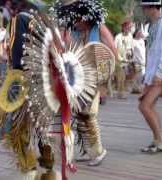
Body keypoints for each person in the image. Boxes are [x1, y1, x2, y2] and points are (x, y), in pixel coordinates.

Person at [56, 0, 117, 166]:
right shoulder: (72, 31)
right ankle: (90, 151)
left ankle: (98, 152)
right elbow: (66, 52)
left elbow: (112, 50)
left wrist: (105, 79)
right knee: (79, 113)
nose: (74, 20)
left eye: (77, 17)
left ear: (85, 15)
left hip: (96, 78)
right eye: (72, 17)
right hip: (77, 78)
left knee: (88, 113)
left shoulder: (99, 28)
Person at [139, 0, 162, 153]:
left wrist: (160, 74)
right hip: (153, 74)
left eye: (145, 8)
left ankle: (159, 139)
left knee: (144, 106)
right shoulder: (155, 26)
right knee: (149, 106)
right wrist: (147, 74)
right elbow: (153, 52)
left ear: (153, 8)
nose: (143, 11)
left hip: (160, 75)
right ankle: (158, 139)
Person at [115, 19, 135, 99]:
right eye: (128, 27)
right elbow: (114, 48)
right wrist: (119, 58)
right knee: (121, 77)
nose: (129, 29)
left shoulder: (130, 36)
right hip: (120, 61)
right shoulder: (118, 37)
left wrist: (131, 55)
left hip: (127, 60)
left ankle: (121, 92)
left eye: (130, 27)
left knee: (125, 78)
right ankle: (120, 93)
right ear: (123, 27)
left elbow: (131, 47)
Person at [131, 28, 146, 94]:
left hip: (143, 61)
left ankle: (136, 88)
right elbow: (131, 51)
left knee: (141, 75)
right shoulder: (133, 41)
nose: (140, 34)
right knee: (138, 75)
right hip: (136, 61)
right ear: (136, 33)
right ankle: (135, 88)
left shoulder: (142, 41)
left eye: (141, 33)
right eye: (139, 32)